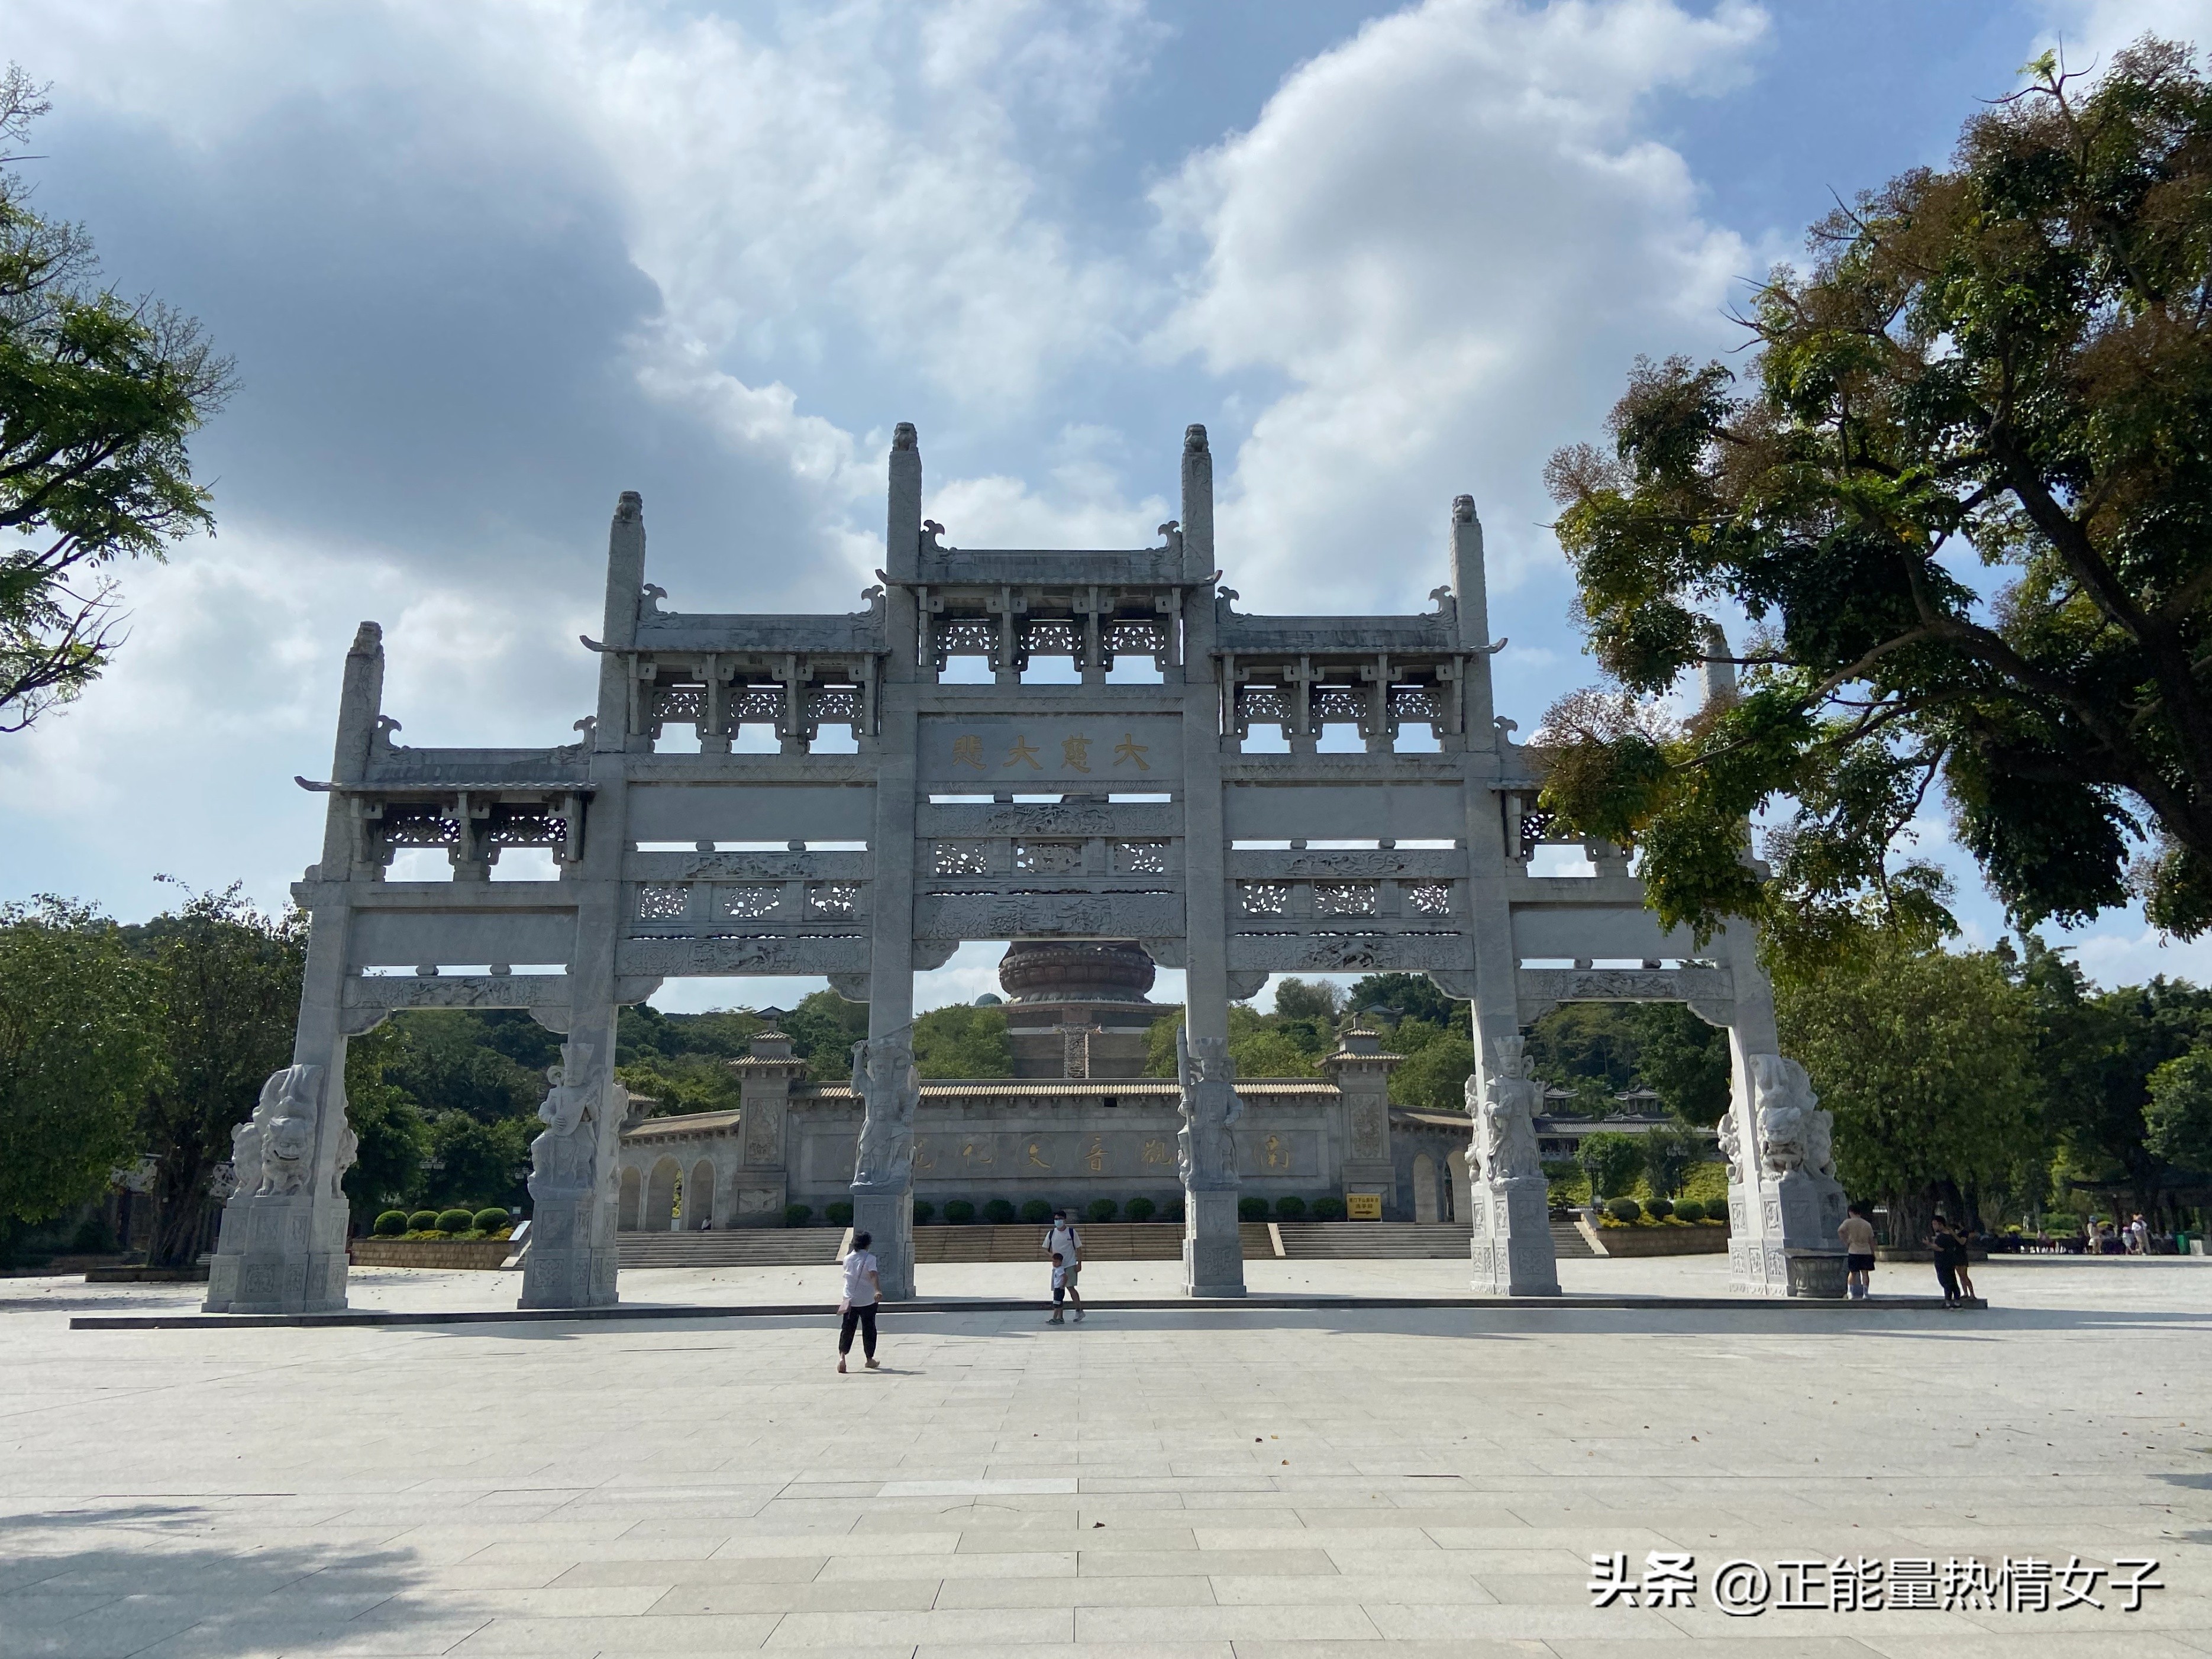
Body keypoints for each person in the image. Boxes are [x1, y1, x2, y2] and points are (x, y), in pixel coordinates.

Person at [837, 1228, 880, 1373]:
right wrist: (877, 1290)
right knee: (869, 1329)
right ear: (867, 1245)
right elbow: (873, 1275)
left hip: (849, 1299)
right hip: (867, 1299)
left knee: (847, 1329)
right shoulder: (870, 1259)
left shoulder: (847, 1258)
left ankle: (842, 1357)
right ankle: (869, 1359)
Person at [1044, 1208, 1084, 1322]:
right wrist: (1052, 1256)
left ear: (1065, 1220)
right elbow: (1044, 1248)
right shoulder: (1051, 1233)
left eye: (1060, 1219)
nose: (1058, 1221)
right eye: (1056, 1219)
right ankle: (1060, 1317)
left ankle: (1079, 1311)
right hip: (1058, 1267)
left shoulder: (1071, 1232)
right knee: (1058, 1290)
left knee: (1071, 1289)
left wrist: (1079, 1263)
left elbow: (1079, 1248)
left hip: (1070, 1264)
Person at [1838, 1203, 1878, 1300]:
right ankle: (1866, 1294)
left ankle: (1850, 1292)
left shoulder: (1848, 1223)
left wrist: (1846, 1241)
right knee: (1865, 1274)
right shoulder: (1867, 1224)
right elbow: (1871, 1241)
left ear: (1850, 1212)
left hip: (1853, 1250)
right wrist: (1873, 1253)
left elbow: (1840, 1231)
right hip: (1866, 1251)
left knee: (1852, 1273)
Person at [1929, 1216, 1966, 1308]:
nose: (1933, 1226)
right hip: (1951, 1261)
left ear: (1941, 1224)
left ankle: (1948, 1302)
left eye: (1935, 1224)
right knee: (1953, 1281)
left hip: (1942, 1262)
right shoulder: (1950, 1236)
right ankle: (1957, 1301)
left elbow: (1941, 1249)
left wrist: (1929, 1244)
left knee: (1946, 1282)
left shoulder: (1942, 1237)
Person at [1047, 1251, 1070, 1324]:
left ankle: (1054, 1318)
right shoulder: (1057, 1269)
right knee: (1060, 1304)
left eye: (1056, 1262)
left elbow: (1065, 1277)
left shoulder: (1060, 1269)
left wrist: (1062, 1285)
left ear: (1060, 1262)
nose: (1054, 1263)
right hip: (1058, 1288)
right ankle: (1060, 1318)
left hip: (1059, 1289)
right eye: (1053, 1262)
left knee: (1056, 1303)